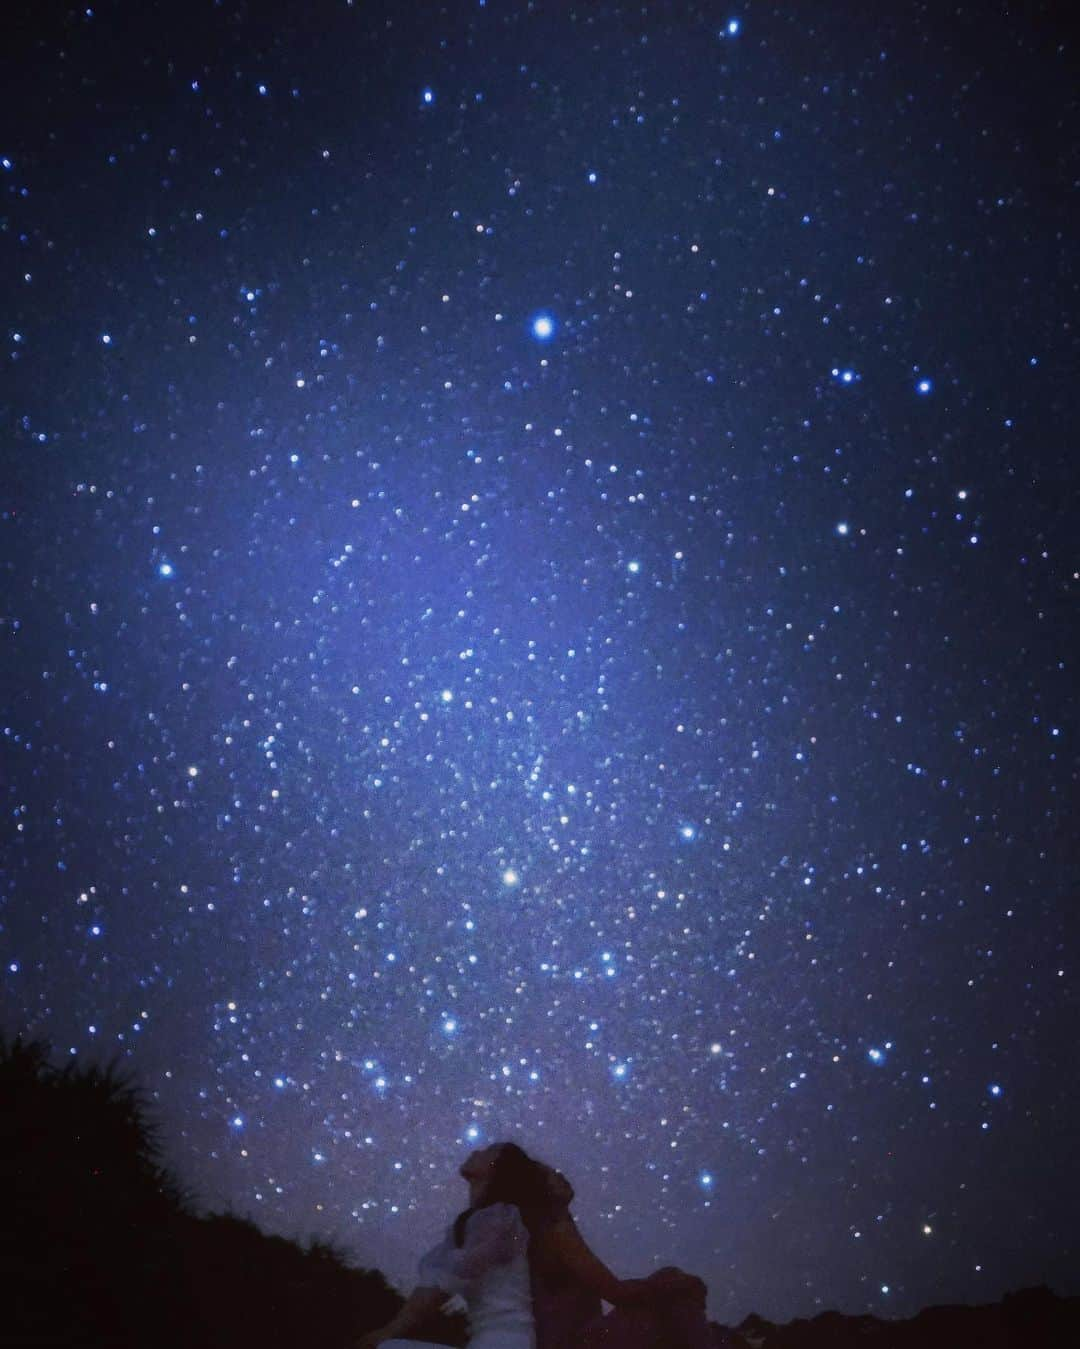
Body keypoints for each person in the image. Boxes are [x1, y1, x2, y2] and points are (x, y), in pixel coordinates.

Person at [357, 1142, 553, 1349]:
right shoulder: (484, 1220)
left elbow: (446, 1281)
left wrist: (388, 1332)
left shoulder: (499, 1216)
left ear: (496, 1166)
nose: (476, 1151)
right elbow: (436, 1284)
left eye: (487, 1151)